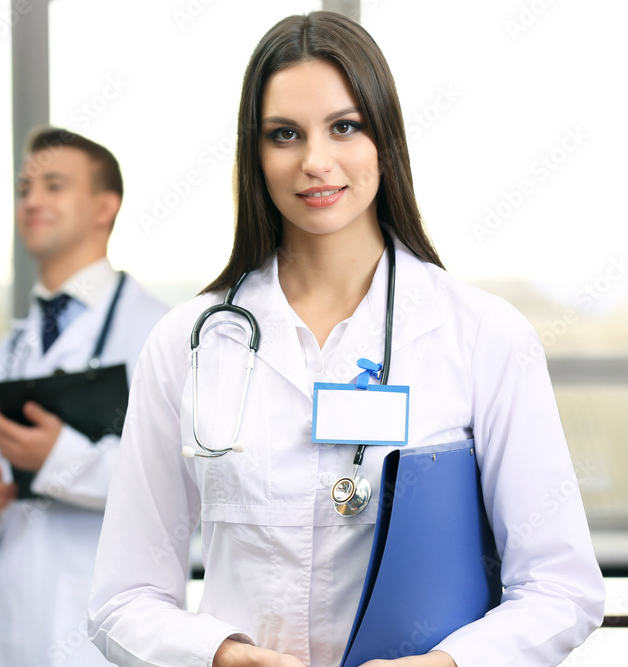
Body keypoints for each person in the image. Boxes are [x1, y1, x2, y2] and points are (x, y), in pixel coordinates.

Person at [88, 11, 605, 667]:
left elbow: (561, 588)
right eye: (284, 134)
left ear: (384, 141)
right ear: (255, 152)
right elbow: (121, 597)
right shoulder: (187, 343)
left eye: (344, 127)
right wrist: (219, 655)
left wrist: (448, 664)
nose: (315, 161)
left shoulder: (484, 336)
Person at [0, 127, 168, 667]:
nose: (32, 200)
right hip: (18, 620)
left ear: (105, 206)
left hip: (108, 630)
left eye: (54, 185)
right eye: (26, 187)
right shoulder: (13, 346)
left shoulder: (155, 330)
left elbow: (175, 477)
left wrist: (57, 458)